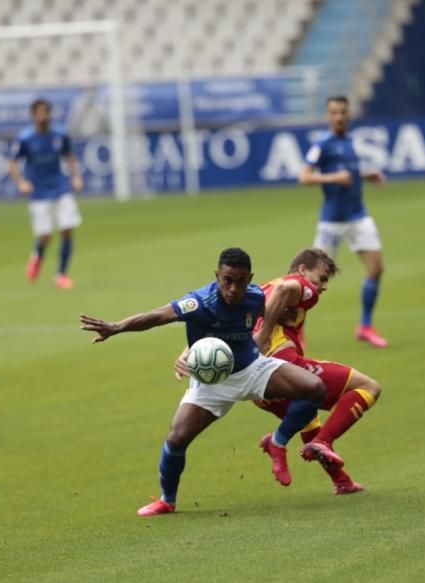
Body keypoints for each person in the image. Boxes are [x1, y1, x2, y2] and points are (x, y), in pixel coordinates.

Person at [80, 247, 332, 517]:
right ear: (217, 275)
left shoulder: (256, 295)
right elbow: (155, 317)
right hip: (213, 383)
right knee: (176, 439)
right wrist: (116, 327)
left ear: (250, 278)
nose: (234, 288)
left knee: (315, 389)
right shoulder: (200, 302)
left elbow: (274, 306)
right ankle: (167, 500)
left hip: (252, 368)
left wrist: (270, 327)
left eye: (240, 281)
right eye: (227, 280)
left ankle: (277, 441)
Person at [252, 248, 381, 495]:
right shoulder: (301, 286)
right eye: (321, 278)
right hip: (281, 365)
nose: (322, 287)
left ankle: (341, 481)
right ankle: (304, 441)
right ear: (302, 270)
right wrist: (265, 334)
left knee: (307, 416)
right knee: (369, 387)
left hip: (256, 386)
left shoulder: (263, 286)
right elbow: (286, 289)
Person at [299, 95, 389, 349]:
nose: (339, 116)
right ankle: (297, 332)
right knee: (311, 281)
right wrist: (332, 177)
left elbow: (349, 175)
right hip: (332, 222)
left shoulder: (350, 143)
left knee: (376, 268)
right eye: (334, 112)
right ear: (328, 116)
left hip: (358, 215)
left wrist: (366, 176)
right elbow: (304, 177)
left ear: (348, 115)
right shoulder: (322, 144)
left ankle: (365, 326)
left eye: (342, 112)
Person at [8, 98, 84, 289]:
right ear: (34, 115)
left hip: (61, 187)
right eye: (39, 112)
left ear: (49, 114)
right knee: (45, 236)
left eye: (45, 112)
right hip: (39, 191)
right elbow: (12, 162)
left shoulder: (60, 134)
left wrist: (76, 177)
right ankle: (37, 256)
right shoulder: (25, 138)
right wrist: (21, 183)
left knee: (67, 228)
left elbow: (70, 156)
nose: (42, 116)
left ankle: (61, 274)